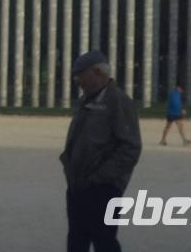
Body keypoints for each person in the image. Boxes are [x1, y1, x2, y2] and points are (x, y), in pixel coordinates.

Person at [61, 51, 142, 252]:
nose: (77, 80)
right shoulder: (86, 100)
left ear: (97, 72)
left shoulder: (118, 101)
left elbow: (130, 147)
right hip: (79, 186)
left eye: (80, 74)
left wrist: (102, 177)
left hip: (103, 188)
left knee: (104, 241)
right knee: (77, 241)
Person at [158, 82, 191, 146]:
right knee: (169, 127)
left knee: (178, 127)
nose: (182, 91)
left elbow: (178, 104)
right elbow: (174, 104)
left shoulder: (177, 95)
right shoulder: (173, 94)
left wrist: (182, 109)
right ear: (178, 88)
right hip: (173, 113)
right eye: (181, 89)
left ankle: (184, 140)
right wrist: (181, 110)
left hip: (175, 114)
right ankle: (163, 140)